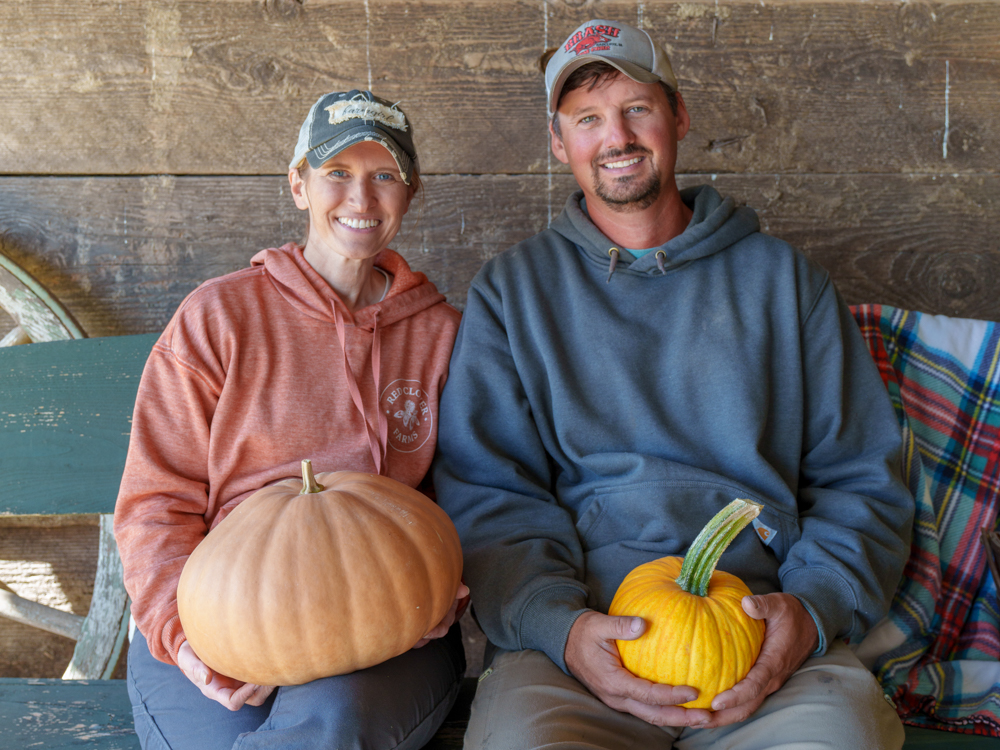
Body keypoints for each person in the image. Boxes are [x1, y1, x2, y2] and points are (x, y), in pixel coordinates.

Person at [433, 19, 914, 750]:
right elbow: (489, 495)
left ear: (678, 115)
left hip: (764, 639)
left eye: (637, 108)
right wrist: (560, 628)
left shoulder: (782, 283)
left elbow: (862, 481)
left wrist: (809, 614)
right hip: (582, 648)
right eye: (587, 119)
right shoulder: (513, 294)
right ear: (560, 143)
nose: (616, 136)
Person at [115, 89, 468, 750]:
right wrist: (181, 637)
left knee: (326, 731)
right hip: (221, 611)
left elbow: (475, 492)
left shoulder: (443, 336)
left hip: (388, 621)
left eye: (383, 176)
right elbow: (154, 505)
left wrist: (446, 589)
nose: (360, 199)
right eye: (337, 173)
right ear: (298, 185)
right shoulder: (216, 319)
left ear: (411, 192)